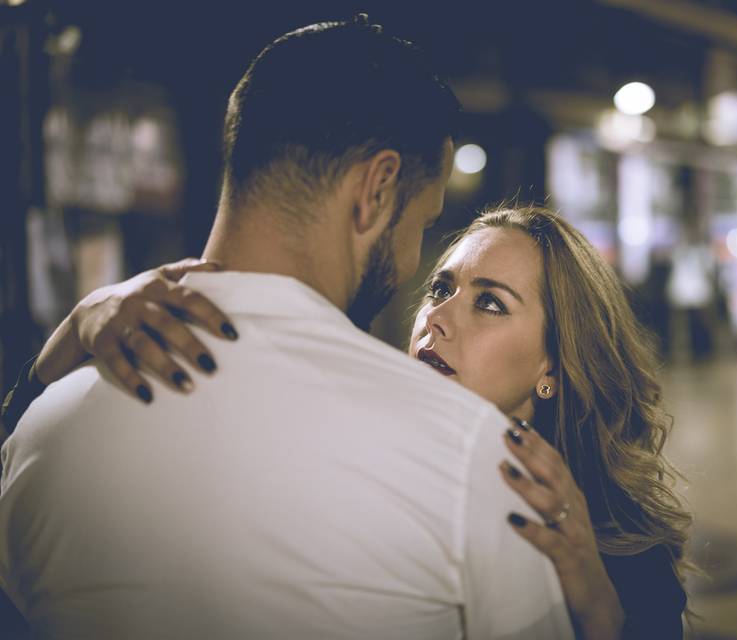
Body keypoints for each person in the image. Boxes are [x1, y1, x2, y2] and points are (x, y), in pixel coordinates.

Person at [0, 18, 575, 640]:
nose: (413, 262)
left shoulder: (44, 428)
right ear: (376, 189)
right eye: (423, 221)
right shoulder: (470, 461)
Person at [6, 207, 692, 637]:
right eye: (442, 287)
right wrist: (62, 346)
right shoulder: (365, 456)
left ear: (555, 364)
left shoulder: (624, 546)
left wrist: (599, 611)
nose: (440, 318)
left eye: (490, 304)